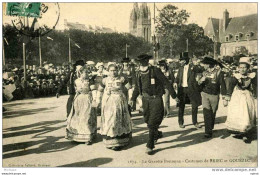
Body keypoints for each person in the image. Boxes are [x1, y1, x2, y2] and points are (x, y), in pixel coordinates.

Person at [130, 54, 178, 155]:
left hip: (156, 99)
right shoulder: (138, 72)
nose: (141, 63)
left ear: (147, 61)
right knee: (147, 120)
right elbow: (137, 88)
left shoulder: (155, 70)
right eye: (140, 62)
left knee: (152, 123)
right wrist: (132, 99)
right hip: (145, 100)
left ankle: (150, 145)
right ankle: (157, 133)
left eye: (143, 61)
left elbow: (166, 82)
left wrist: (174, 95)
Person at [97, 63, 132, 151]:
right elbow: (100, 90)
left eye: (115, 70)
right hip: (108, 102)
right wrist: (97, 100)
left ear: (117, 70)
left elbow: (130, 88)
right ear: (108, 71)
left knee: (119, 119)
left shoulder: (122, 79)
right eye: (111, 71)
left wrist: (131, 98)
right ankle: (111, 140)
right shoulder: (104, 80)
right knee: (110, 119)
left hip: (120, 102)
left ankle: (121, 140)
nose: (113, 72)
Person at [225, 57, 257, 143]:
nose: (242, 69)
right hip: (238, 97)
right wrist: (227, 96)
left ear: (248, 68)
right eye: (240, 67)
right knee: (239, 113)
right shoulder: (236, 76)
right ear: (238, 68)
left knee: (247, 114)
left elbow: (256, 86)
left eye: (244, 67)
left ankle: (246, 133)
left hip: (247, 96)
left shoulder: (252, 76)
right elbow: (231, 87)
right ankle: (241, 132)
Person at [198, 56, 227, 138]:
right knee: (206, 112)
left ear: (209, 64)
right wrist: (201, 81)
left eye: (205, 64)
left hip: (215, 95)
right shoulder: (204, 72)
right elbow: (199, 84)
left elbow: (223, 85)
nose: (203, 65)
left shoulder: (219, 73)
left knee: (212, 112)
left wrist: (224, 97)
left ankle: (210, 127)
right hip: (205, 94)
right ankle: (208, 131)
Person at [66, 66, 97, 145]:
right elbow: (73, 91)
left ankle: (87, 136)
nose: (86, 74)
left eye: (87, 72)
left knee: (86, 117)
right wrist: (77, 91)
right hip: (79, 100)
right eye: (84, 72)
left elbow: (94, 91)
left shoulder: (90, 81)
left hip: (87, 99)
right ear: (80, 73)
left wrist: (94, 99)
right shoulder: (76, 81)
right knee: (77, 117)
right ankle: (77, 135)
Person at [174, 52, 203, 129]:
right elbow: (177, 78)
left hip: (192, 89)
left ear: (186, 60)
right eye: (180, 60)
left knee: (194, 106)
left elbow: (200, 70)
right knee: (181, 106)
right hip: (182, 90)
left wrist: (195, 65)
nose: (181, 62)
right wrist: (175, 82)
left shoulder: (193, 67)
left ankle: (195, 122)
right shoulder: (180, 68)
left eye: (182, 60)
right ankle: (180, 122)